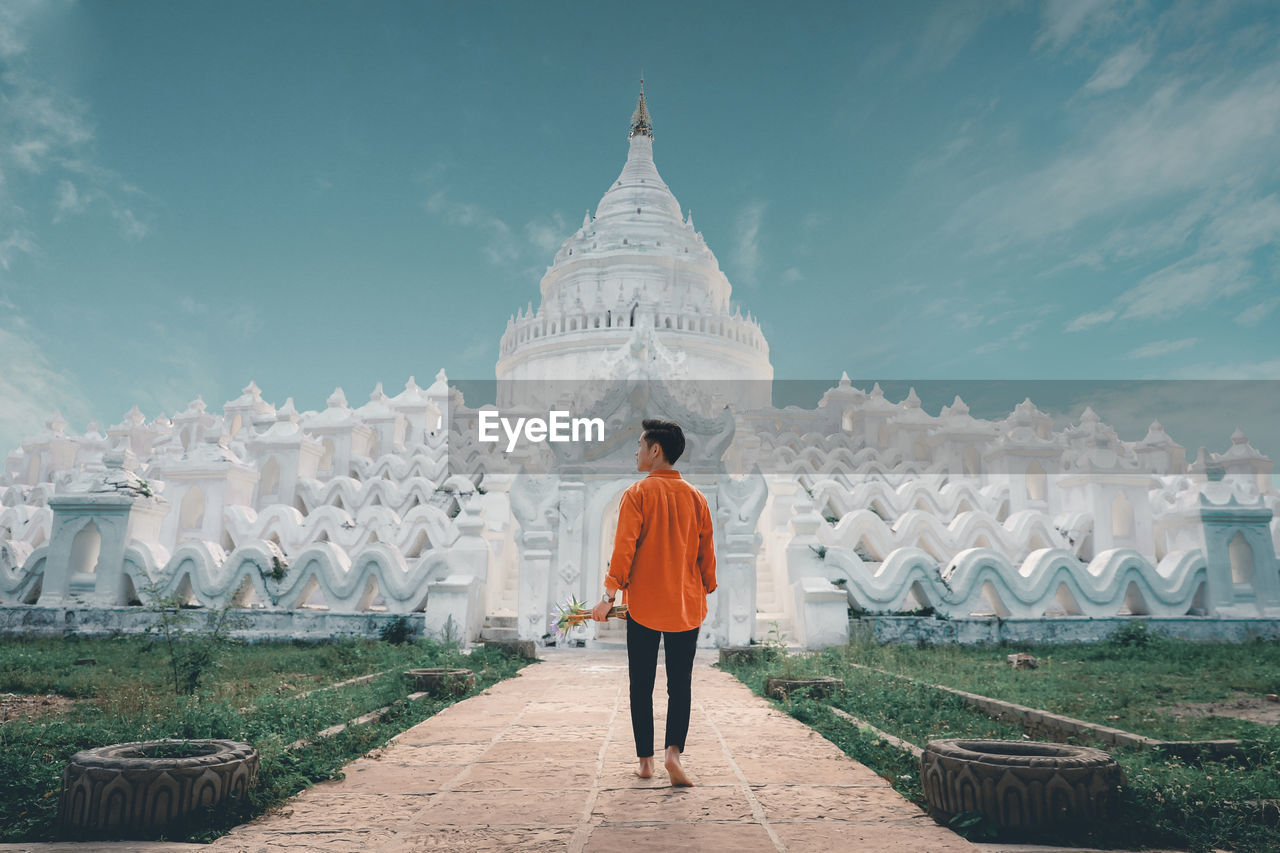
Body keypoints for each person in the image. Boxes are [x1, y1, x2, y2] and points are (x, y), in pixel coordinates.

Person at [592, 418, 716, 787]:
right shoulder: (697, 497)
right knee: (680, 684)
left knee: (640, 683)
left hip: (644, 606)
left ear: (655, 450)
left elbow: (624, 549)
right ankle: (672, 753)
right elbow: (706, 555)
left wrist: (606, 598)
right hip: (686, 605)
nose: (636, 451)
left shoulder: (637, 494)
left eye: (640, 445)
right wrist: (704, 585)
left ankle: (645, 762)